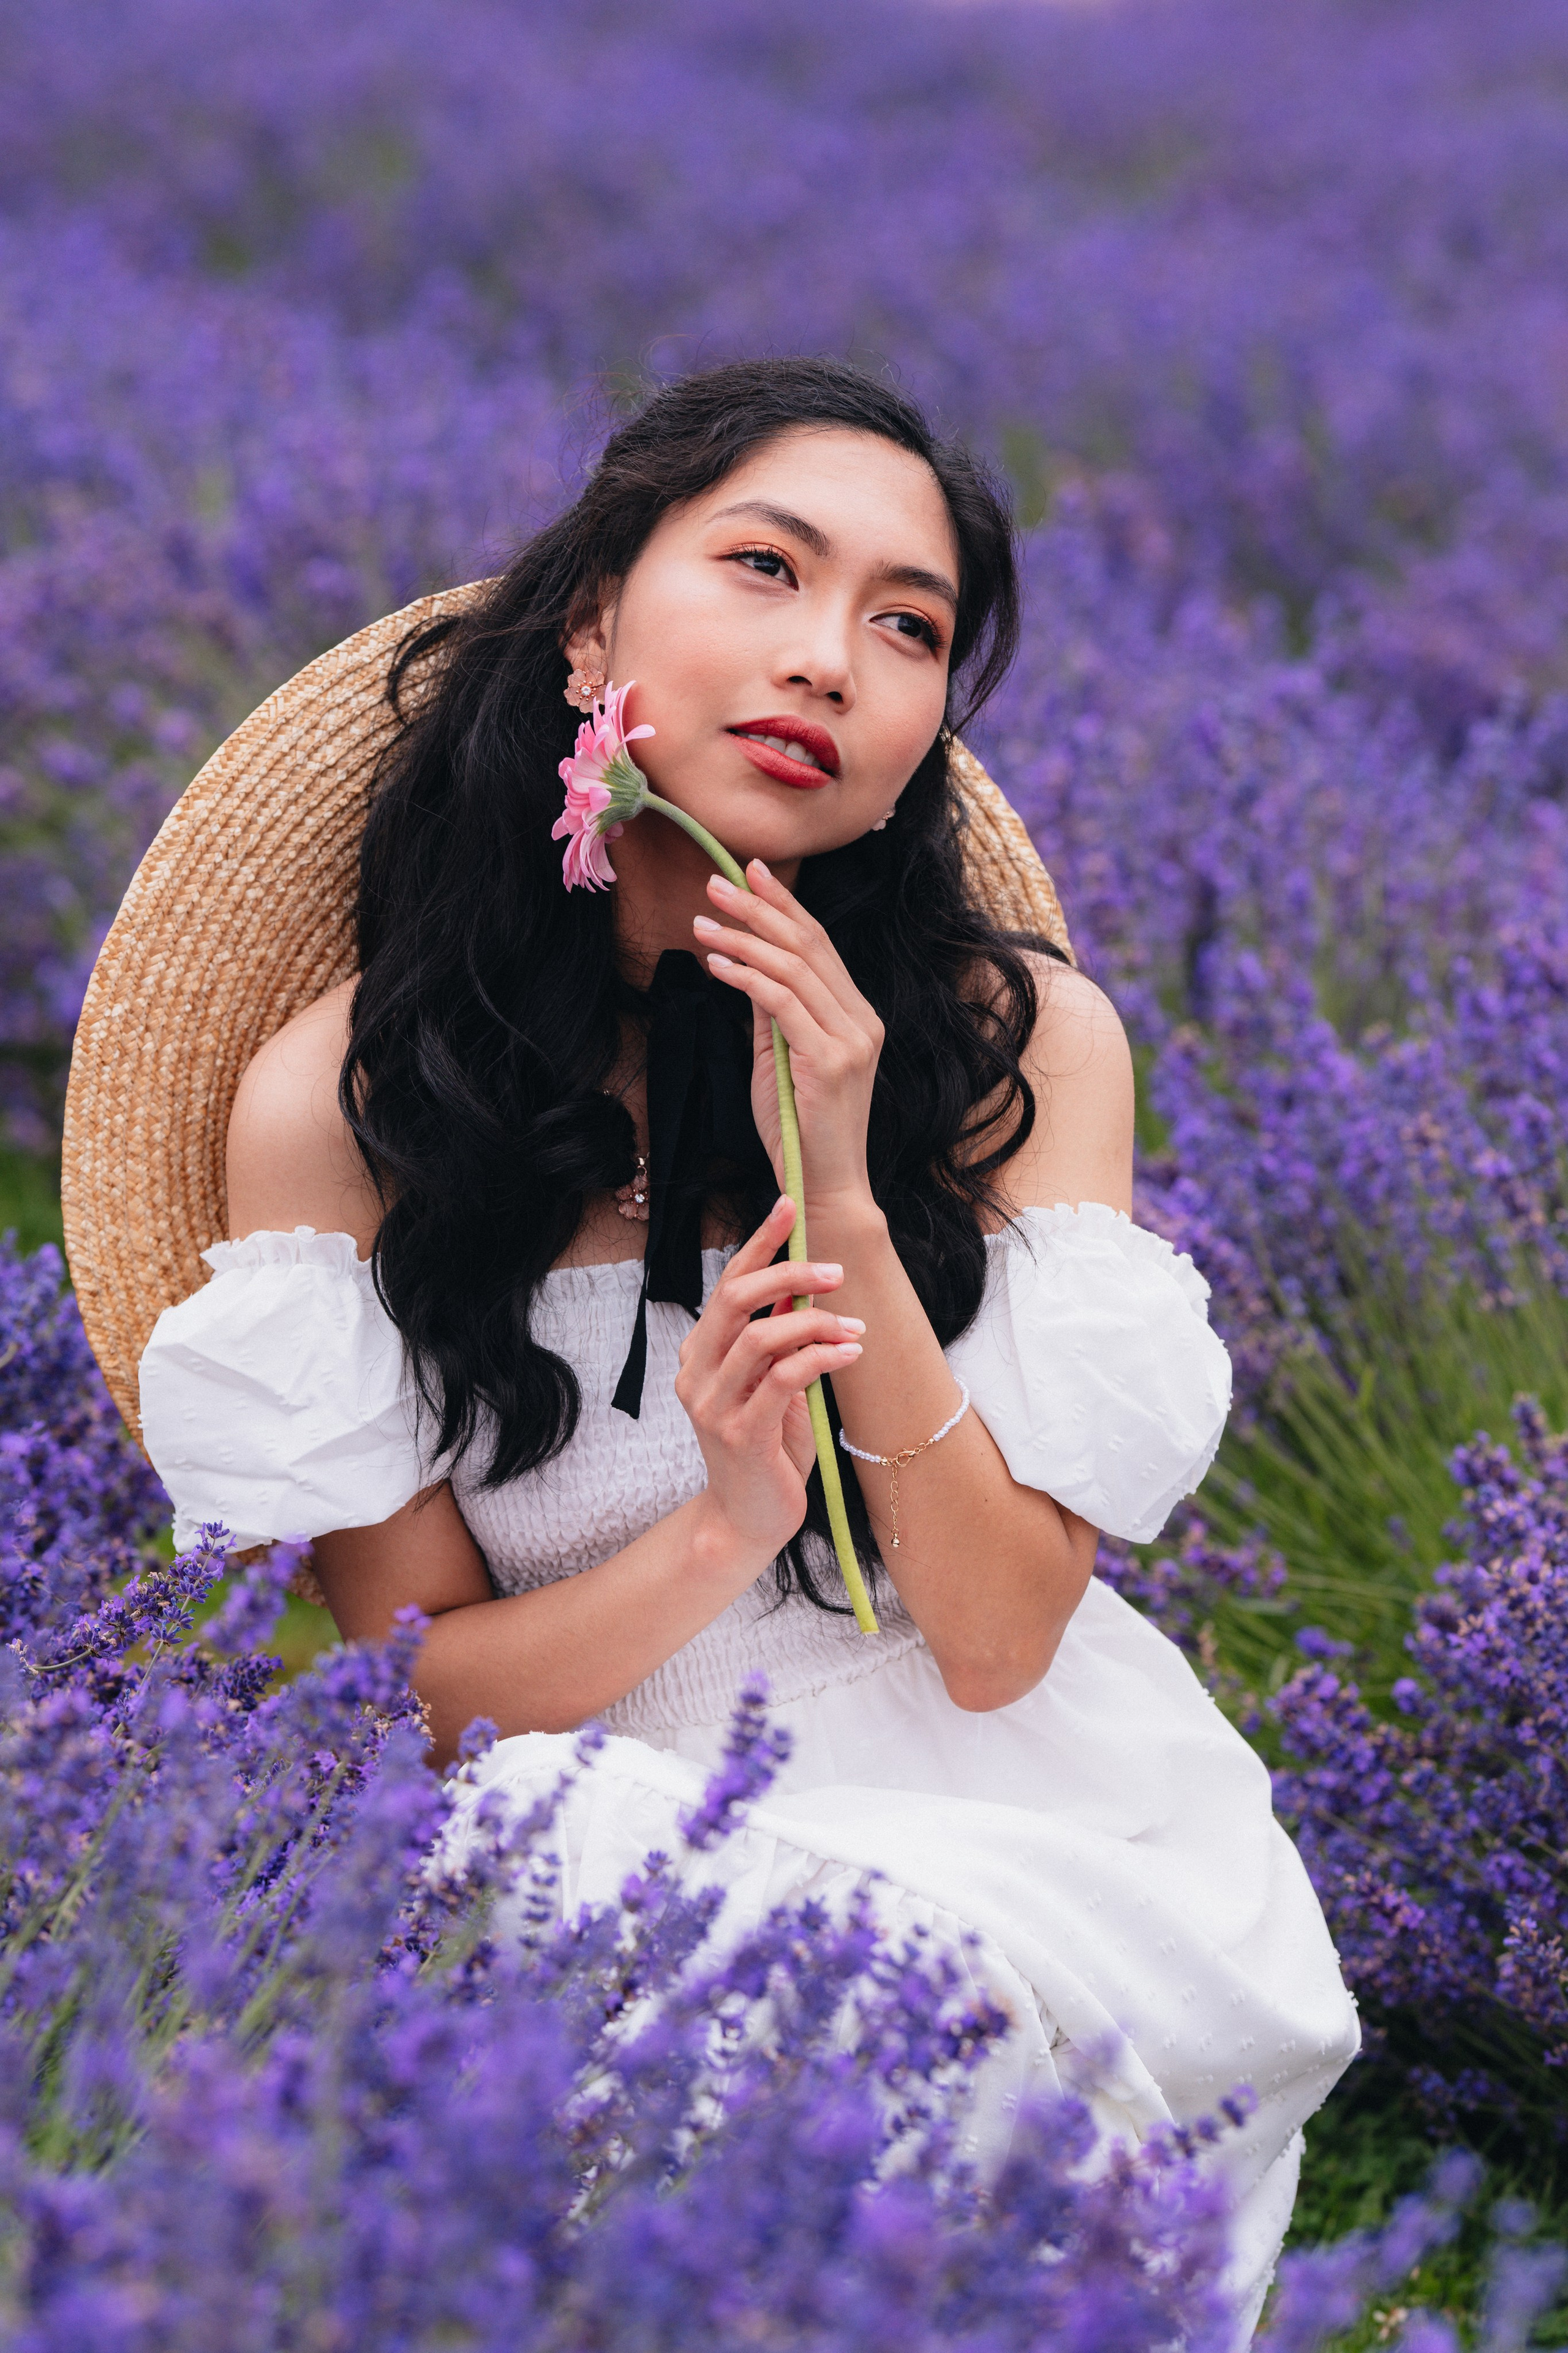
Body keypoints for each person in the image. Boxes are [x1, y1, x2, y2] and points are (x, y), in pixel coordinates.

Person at [138, 358, 1357, 2333]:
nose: (830, 659)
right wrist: (717, 1527)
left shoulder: (1017, 1045)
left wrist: (852, 1193)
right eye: (767, 568)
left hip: (1007, 1812)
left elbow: (994, 1637)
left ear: (922, 735)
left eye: (908, 626)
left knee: (906, 2027)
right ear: (597, 622)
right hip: (586, 1792)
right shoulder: (352, 1100)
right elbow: (409, 1702)